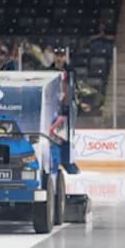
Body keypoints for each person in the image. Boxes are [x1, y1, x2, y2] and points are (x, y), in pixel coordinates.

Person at [46, 46, 81, 174]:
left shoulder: (71, 71)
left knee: (67, 135)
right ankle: (53, 159)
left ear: (65, 57)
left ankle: (67, 160)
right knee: (52, 134)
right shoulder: (48, 71)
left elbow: (74, 87)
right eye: (57, 55)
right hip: (52, 107)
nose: (59, 58)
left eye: (61, 56)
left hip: (67, 107)